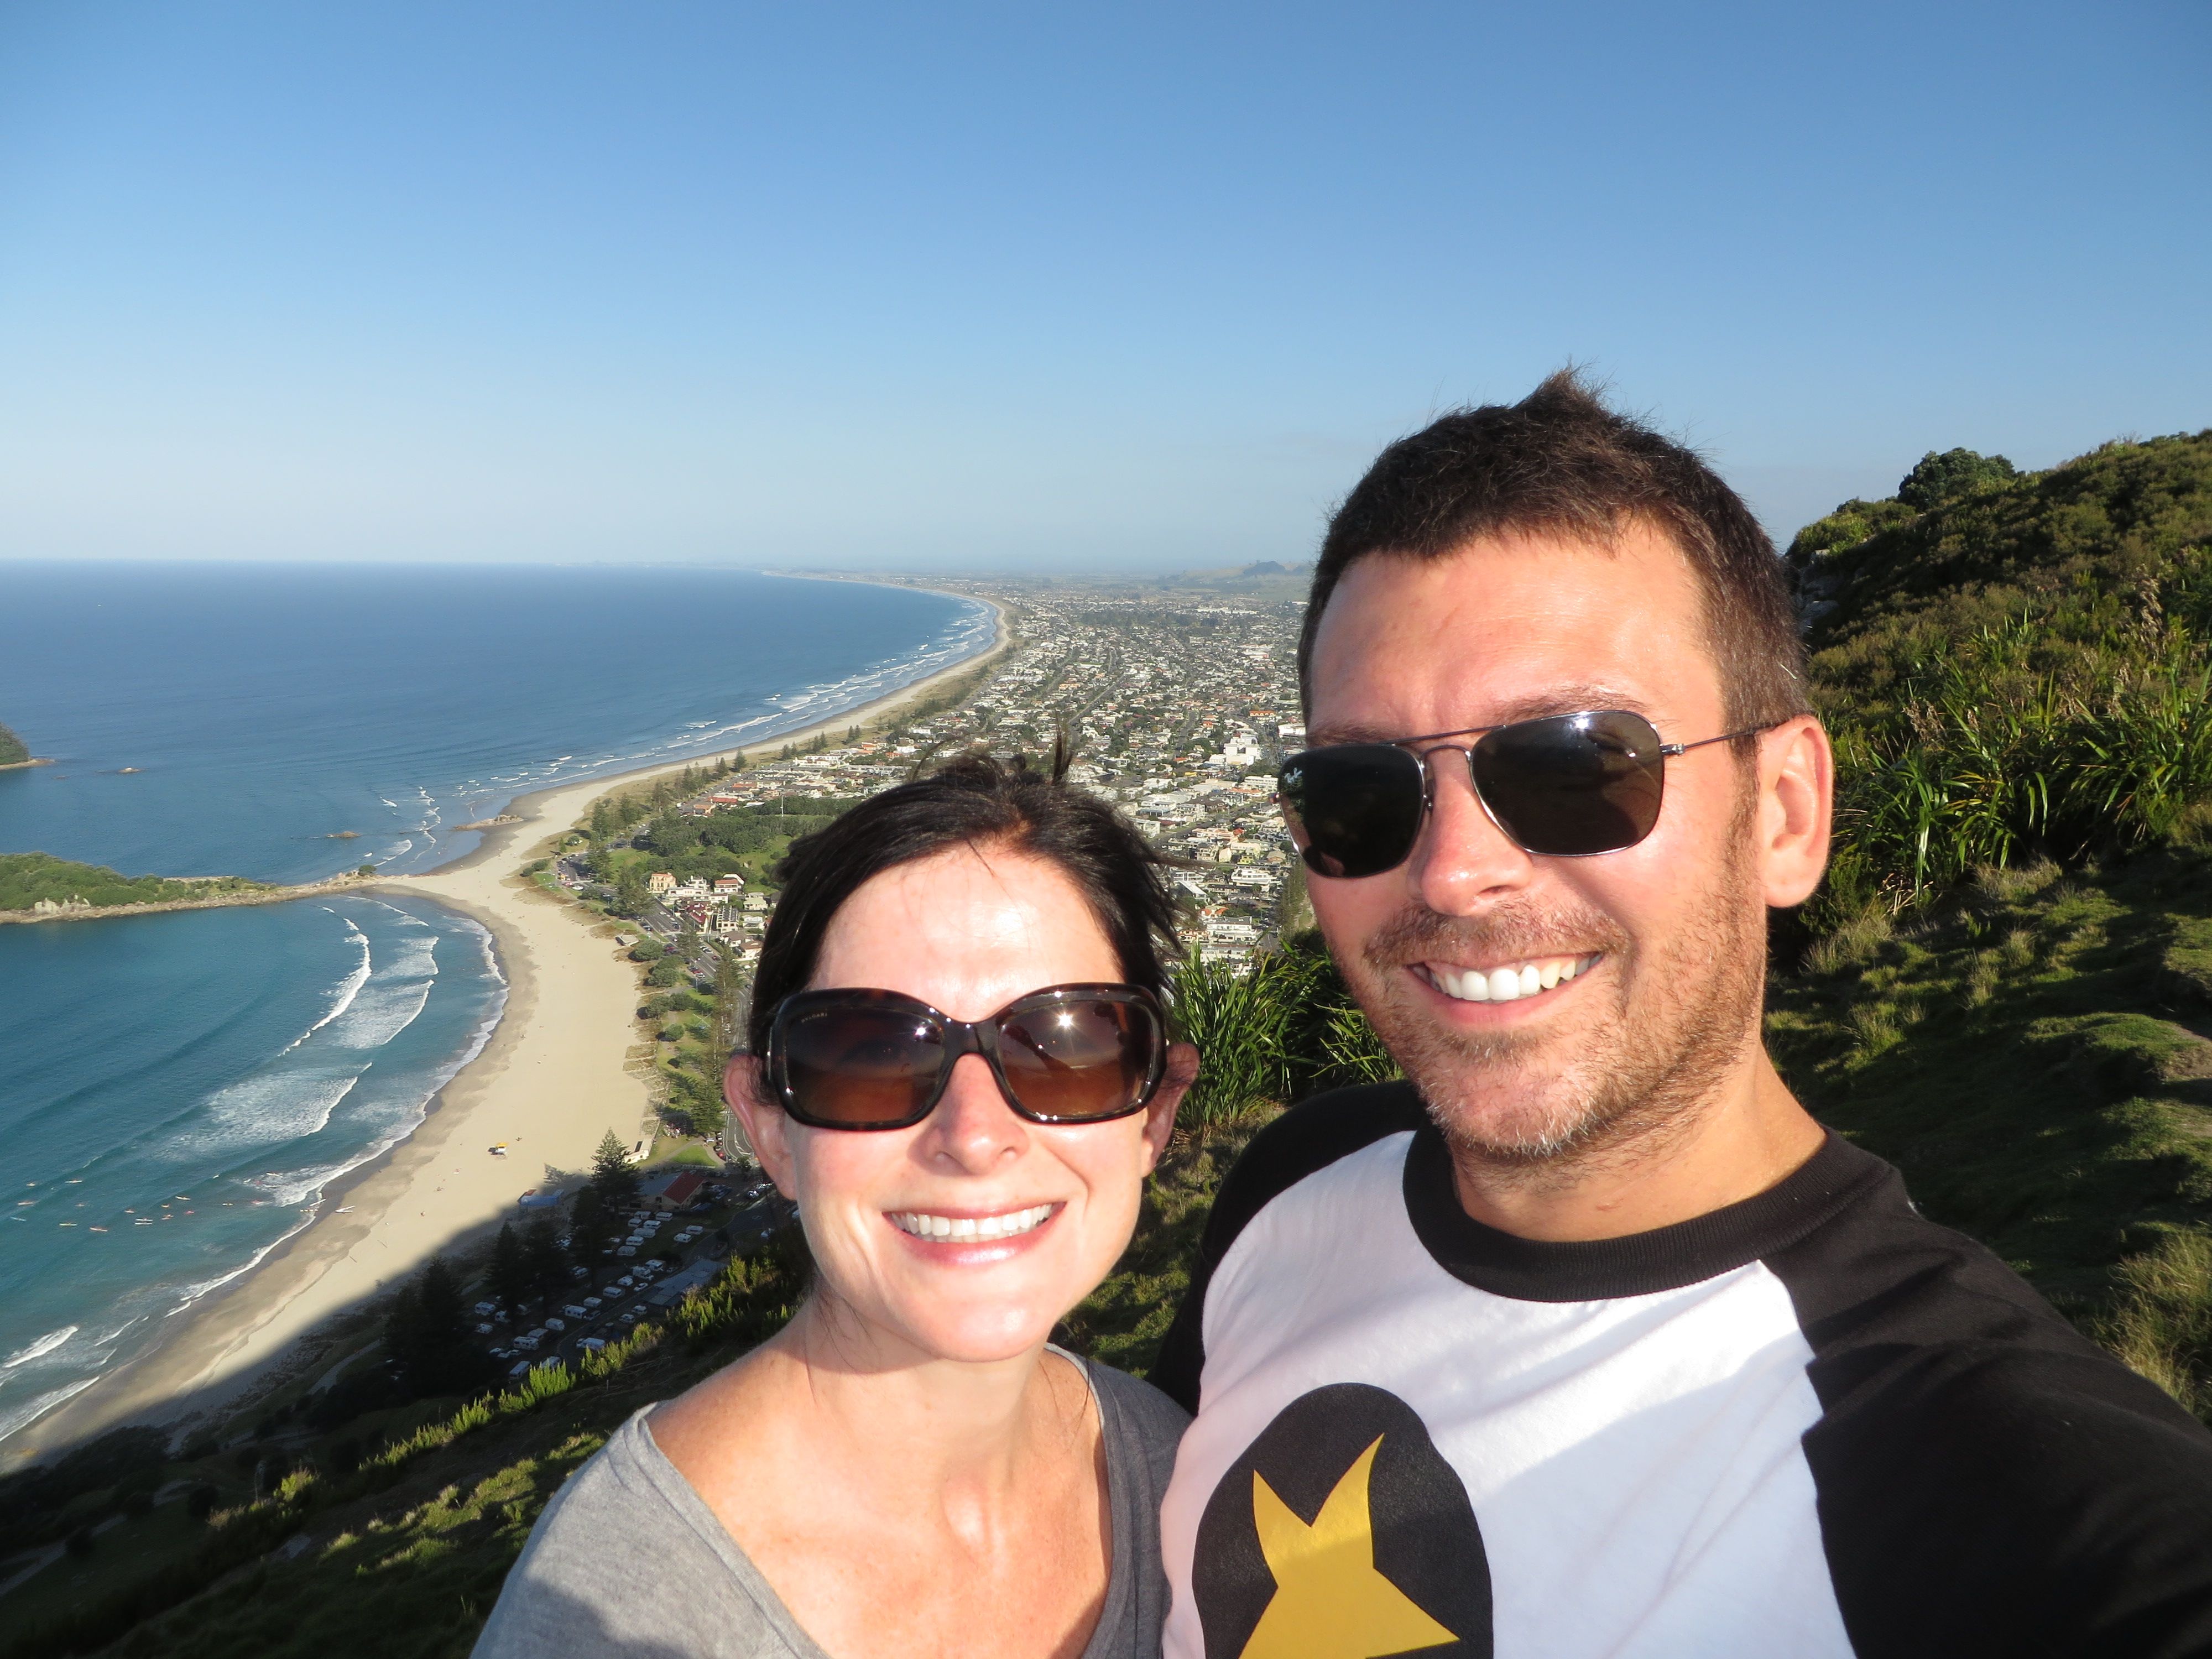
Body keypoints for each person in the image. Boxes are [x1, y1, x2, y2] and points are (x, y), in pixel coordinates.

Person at [1150, 373, 2212, 1658]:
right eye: (1359, 793)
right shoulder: (1295, 1183)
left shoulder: (1965, 1478)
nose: (1451, 873)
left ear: (1784, 815)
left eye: (1573, 767)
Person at [476, 752, 1198, 1659]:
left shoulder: (1180, 1482)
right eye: (872, 1056)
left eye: (1065, 1048)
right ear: (770, 1129)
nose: (975, 1137)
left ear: (1154, 1113)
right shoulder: (626, 1613)